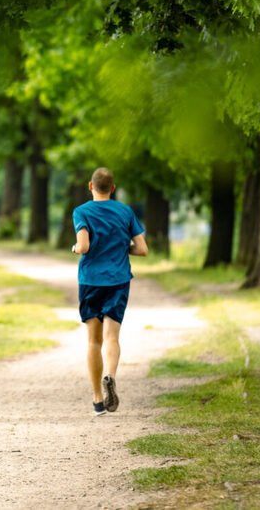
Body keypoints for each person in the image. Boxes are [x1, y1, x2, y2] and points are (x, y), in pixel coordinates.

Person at [71, 167, 149, 416]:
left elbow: (84, 246)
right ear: (113, 189)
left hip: (91, 281)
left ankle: (97, 400)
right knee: (112, 337)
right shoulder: (125, 211)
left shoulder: (81, 211)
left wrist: (75, 247)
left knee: (94, 341)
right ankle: (110, 376)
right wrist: (120, 248)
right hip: (118, 280)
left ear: (90, 186)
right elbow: (142, 249)